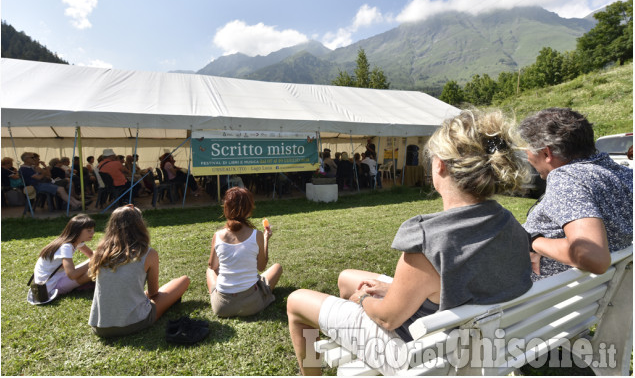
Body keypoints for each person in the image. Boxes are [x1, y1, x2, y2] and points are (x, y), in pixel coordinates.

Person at [286, 110, 533, 375]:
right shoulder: (509, 223)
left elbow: (387, 318)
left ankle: (311, 371)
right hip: (474, 340)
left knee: (296, 301)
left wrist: (361, 301)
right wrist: (390, 289)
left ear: (440, 166)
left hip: (419, 356)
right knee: (347, 277)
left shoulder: (429, 239)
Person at [518, 107, 633, 280]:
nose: (528, 158)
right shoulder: (624, 174)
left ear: (546, 153)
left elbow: (593, 257)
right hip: (596, 293)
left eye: (528, 151)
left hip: (546, 298)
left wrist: (533, 242)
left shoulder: (568, 177)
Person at [88, 205, 190, 337]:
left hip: (99, 327)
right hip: (134, 322)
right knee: (183, 281)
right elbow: (153, 293)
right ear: (140, 225)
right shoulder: (147, 253)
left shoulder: (100, 253)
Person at [207, 187, 282, 317]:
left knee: (209, 271)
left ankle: (219, 294)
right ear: (249, 209)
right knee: (277, 268)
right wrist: (266, 239)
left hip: (222, 307)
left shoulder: (217, 235)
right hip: (251, 304)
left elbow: (212, 266)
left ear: (226, 208)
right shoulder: (257, 235)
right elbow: (261, 266)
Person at [30, 214, 95, 303]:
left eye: (92, 230)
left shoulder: (73, 241)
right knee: (97, 267)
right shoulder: (66, 246)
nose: (93, 233)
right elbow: (72, 274)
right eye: (89, 230)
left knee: (98, 260)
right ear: (78, 232)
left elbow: (91, 254)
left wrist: (96, 259)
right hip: (50, 287)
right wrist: (94, 263)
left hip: (53, 280)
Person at [19, 152, 85, 210]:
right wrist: (43, 173)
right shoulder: (24, 169)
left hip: (42, 184)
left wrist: (43, 170)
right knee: (61, 189)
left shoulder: (31, 167)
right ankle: (75, 205)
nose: (34, 159)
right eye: (32, 157)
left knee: (62, 189)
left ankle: (77, 203)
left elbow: (48, 175)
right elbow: (39, 178)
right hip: (36, 186)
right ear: (26, 159)